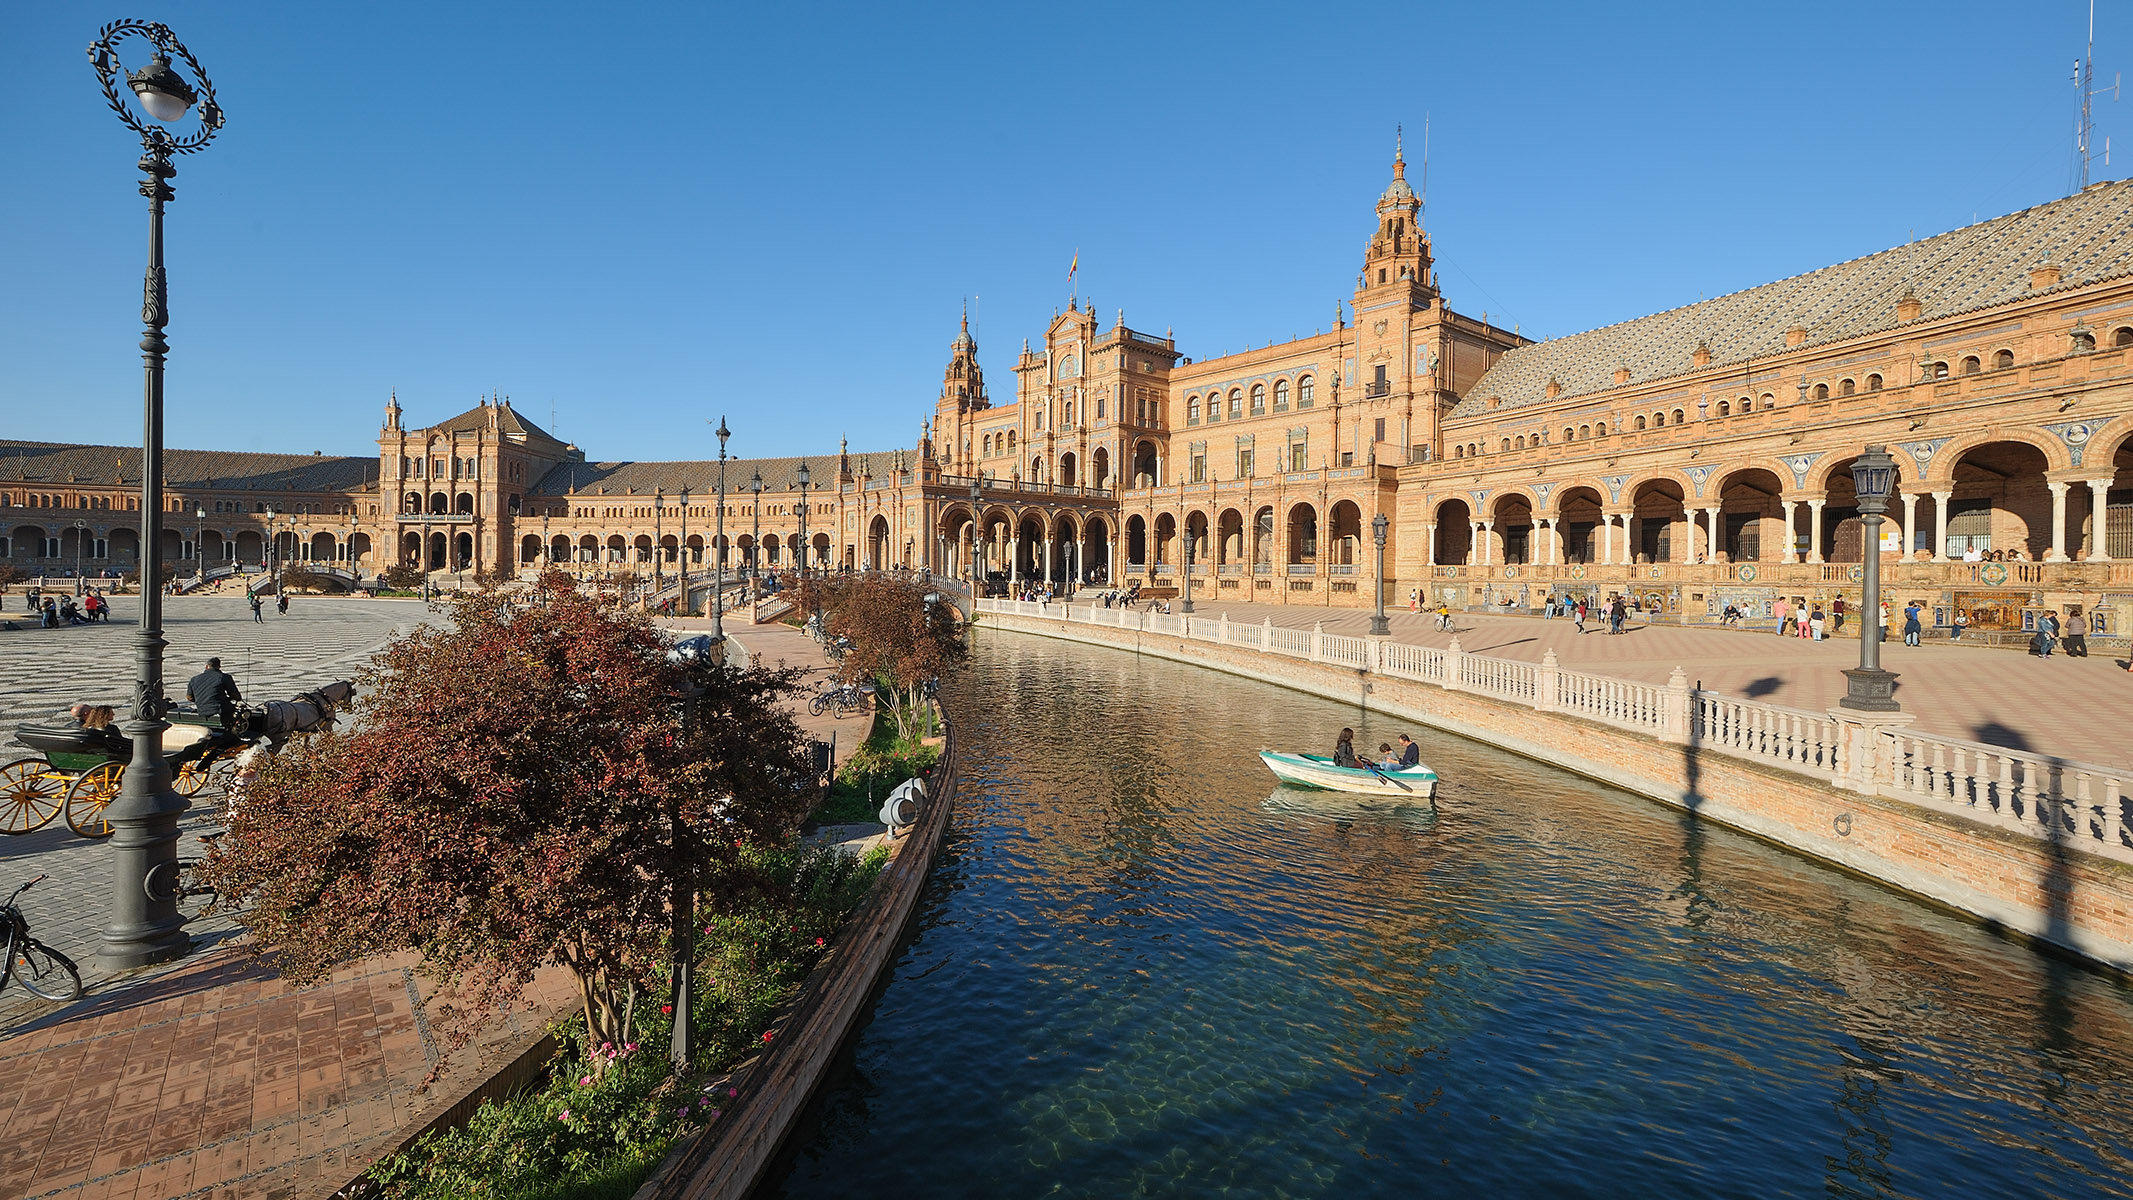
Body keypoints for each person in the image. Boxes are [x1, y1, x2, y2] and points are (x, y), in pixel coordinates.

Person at [186, 656, 243, 729]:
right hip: (220, 710)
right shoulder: (224, 677)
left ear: (206, 667)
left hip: (202, 710)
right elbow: (235, 695)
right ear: (219, 667)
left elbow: (189, 697)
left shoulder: (194, 679)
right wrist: (235, 698)